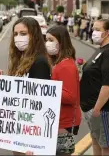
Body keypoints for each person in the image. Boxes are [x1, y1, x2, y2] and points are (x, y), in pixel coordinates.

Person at [0, 17, 51, 155]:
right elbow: (18, 91)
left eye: (23, 34)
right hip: (19, 127)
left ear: (34, 35)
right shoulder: (21, 59)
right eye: (16, 34)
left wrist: (33, 142)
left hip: (29, 132)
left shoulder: (39, 62)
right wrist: (1, 81)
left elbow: (40, 103)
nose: (18, 38)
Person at [80, 19, 109, 156]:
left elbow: (108, 84)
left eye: (97, 30)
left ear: (107, 33)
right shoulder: (102, 50)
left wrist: (97, 108)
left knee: (106, 145)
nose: (94, 33)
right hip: (92, 107)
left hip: (105, 109)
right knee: (96, 140)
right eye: (93, 29)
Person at [44, 25, 81, 155]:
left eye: (51, 40)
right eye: (46, 39)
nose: (47, 43)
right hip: (59, 120)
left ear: (61, 42)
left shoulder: (66, 66)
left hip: (63, 122)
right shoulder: (60, 63)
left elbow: (71, 97)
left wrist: (47, 89)